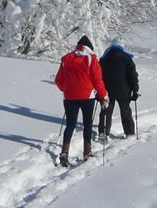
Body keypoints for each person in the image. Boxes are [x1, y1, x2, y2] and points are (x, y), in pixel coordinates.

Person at [55, 35, 109, 166]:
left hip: (69, 98)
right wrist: (103, 96)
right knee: (87, 124)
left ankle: (64, 151)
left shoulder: (67, 58)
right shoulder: (91, 58)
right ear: (89, 47)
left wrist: (67, 90)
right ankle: (87, 152)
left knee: (70, 124)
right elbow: (97, 80)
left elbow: (58, 81)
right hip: (87, 96)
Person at [97, 37, 140, 143]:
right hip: (124, 90)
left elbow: (98, 74)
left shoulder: (104, 58)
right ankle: (129, 133)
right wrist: (135, 90)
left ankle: (103, 133)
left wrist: (99, 90)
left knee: (106, 111)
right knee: (125, 111)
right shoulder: (127, 58)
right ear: (121, 46)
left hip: (108, 90)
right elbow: (132, 75)